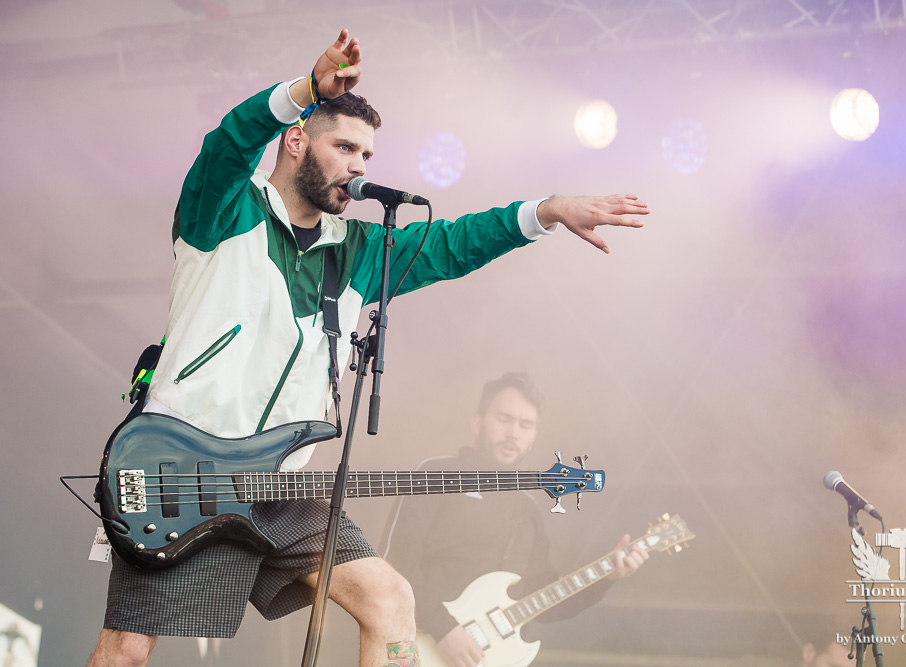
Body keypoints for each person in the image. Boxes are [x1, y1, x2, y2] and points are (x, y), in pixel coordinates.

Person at [86, 28, 650, 667]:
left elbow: (453, 245)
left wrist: (543, 212)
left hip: (279, 483)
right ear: (296, 141)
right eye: (345, 147)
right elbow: (228, 143)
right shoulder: (223, 213)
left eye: (369, 155)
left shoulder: (355, 251)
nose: (360, 166)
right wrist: (305, 90)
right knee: (128, 651)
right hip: (182, 469)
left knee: (390, 599)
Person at [381, 372, 649, 667]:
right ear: (478, 422)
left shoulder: (527, 509)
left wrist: (606, 576)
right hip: (413, 644)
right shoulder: (436, 474)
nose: (513, 433)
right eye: (504, 419)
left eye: (525, 425)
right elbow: (393, 564)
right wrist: (444, 629)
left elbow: (543, 599)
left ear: (533, 438)